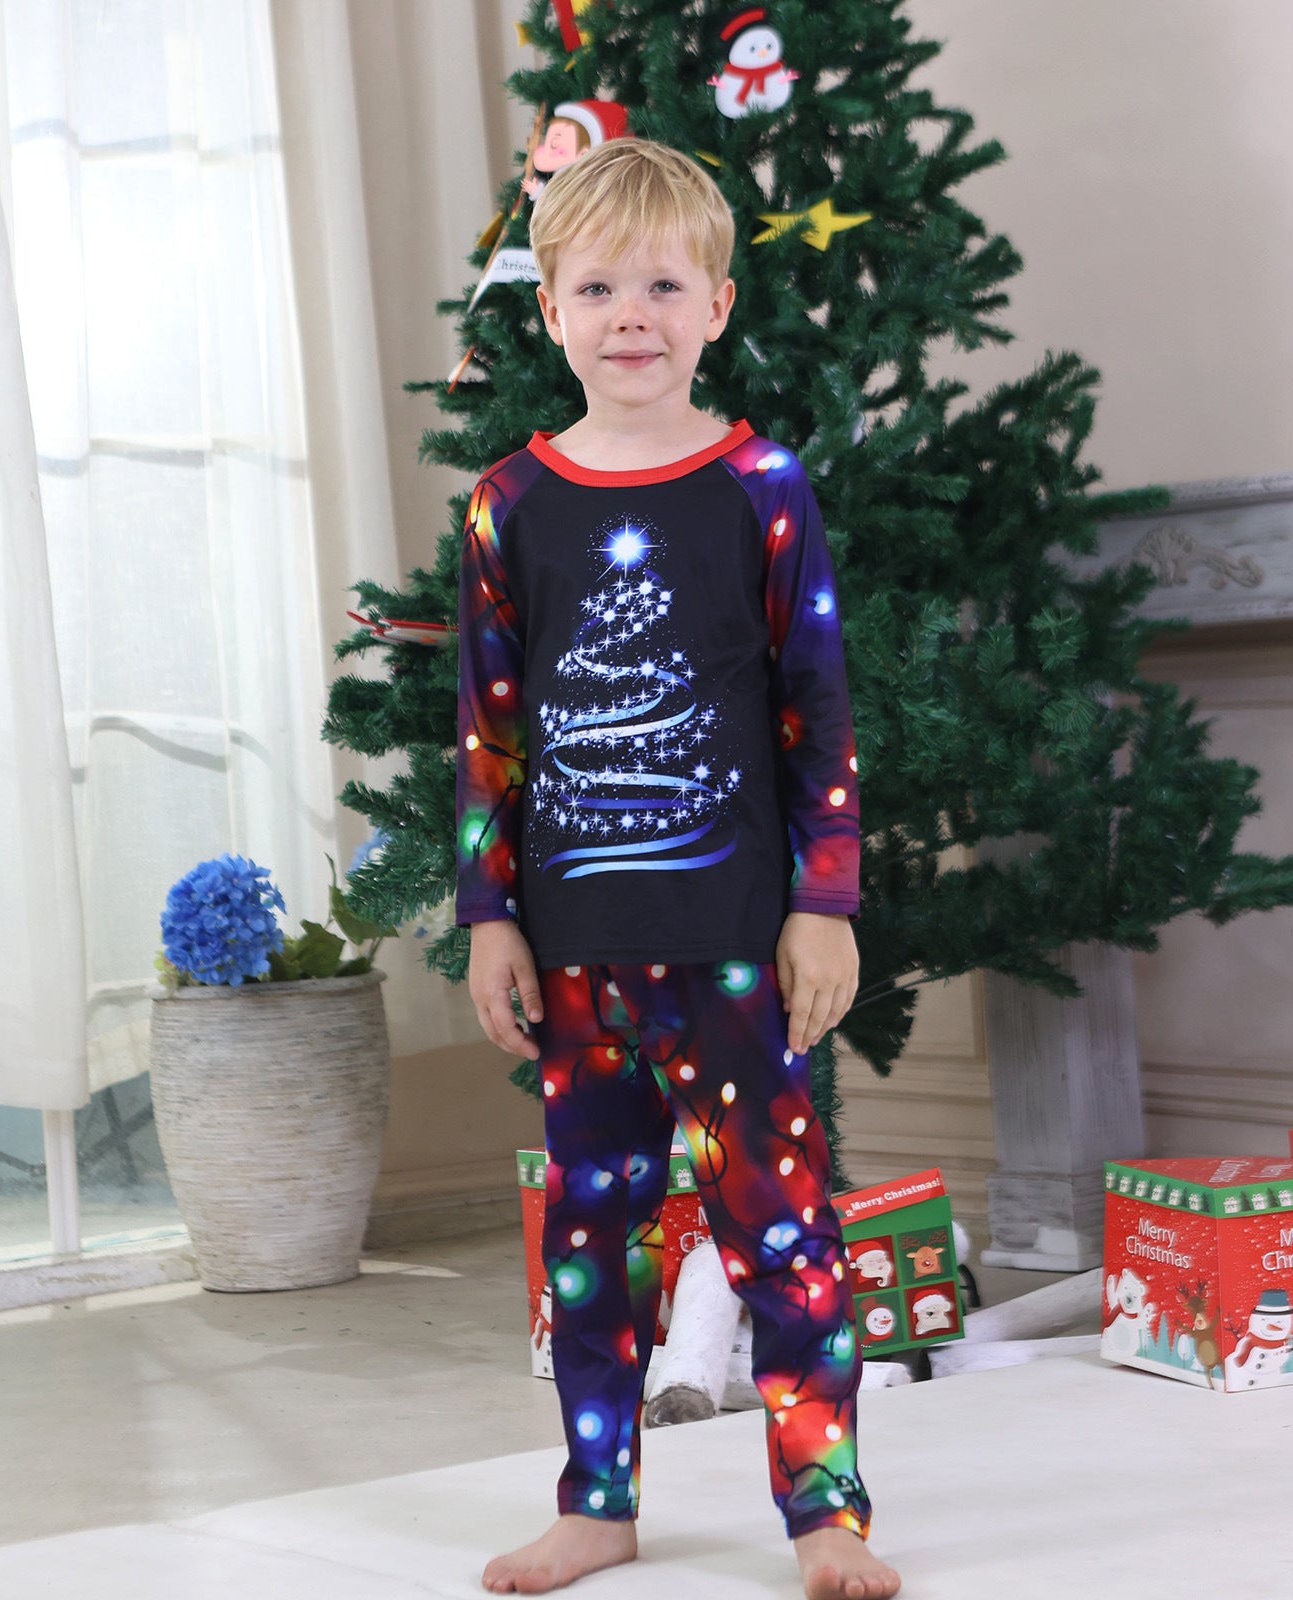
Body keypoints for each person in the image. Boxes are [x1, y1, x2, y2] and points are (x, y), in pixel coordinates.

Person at [455, 136, 901, 1600]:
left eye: (661, 285)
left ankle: (825, 1511)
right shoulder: (508, 504)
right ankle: (597, 1502)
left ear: (716, 304)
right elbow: (488, 728)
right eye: (597, 288)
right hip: (575, 948)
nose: (630, 315)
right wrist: (489, 919)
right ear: (550, 314)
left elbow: (816, 707)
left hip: (735, 943)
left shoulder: (762, 485)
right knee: (592, 1234)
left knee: (782, 1227)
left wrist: (824, 902)